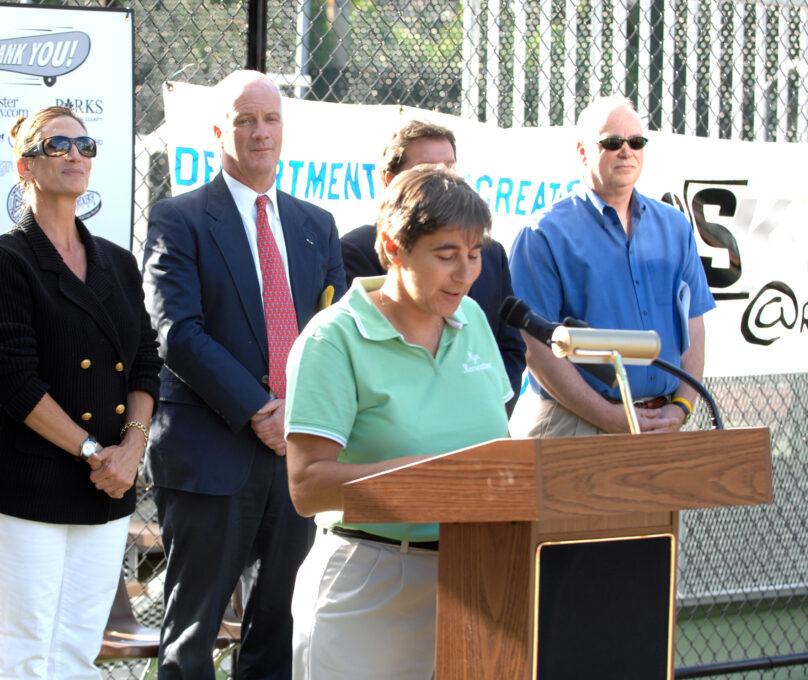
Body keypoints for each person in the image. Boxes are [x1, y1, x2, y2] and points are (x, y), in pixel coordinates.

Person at [142, 70, 346, 680]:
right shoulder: (178, 219)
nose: (260, 133)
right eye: (244, 119)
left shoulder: (317, 225)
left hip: (299, 455)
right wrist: (262, 409)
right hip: (212, 452)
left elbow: (332, 334)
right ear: (216, 131)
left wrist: (304, 413)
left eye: (271, 119)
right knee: (192, 636)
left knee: (281, 629)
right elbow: (176, 332)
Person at [285, 165, 512, 678]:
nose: (465, 273)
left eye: (474, 255)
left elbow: (497, 445)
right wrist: (427, 480)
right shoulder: (331, 341)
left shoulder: (473, 319)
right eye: (446, 254)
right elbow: (307, 486)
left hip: (481, 580)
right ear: (392, 247)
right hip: (371, 581)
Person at [0, 106, 162, 679]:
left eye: (85, 144)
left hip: (109, 484)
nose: (76, 154)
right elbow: (15, 382)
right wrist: (91, 452)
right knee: (28, 649)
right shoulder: (6, 260)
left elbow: (146, 363)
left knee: (76, 646)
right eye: (59, 145)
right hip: (31, 482)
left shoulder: (119, 263)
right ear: (25, 165)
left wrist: (131, 449)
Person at [509, 95, 714, 437]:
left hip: (661, 423)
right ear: (582, 150)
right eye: (611, 142)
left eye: (636, 142)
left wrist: (682, 406)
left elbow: (693, 327)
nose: (626, 150)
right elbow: (536, 347)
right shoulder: (543, 235)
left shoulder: (675, 228)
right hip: (573, 424)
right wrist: (607, 416)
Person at [340, 119, 526, 414]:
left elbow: (510, 348)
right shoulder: (356, 251)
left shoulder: (491, 255)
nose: (445, 180)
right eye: (428, 169)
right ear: (391, 181)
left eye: (449, 167)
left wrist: (491, 411)